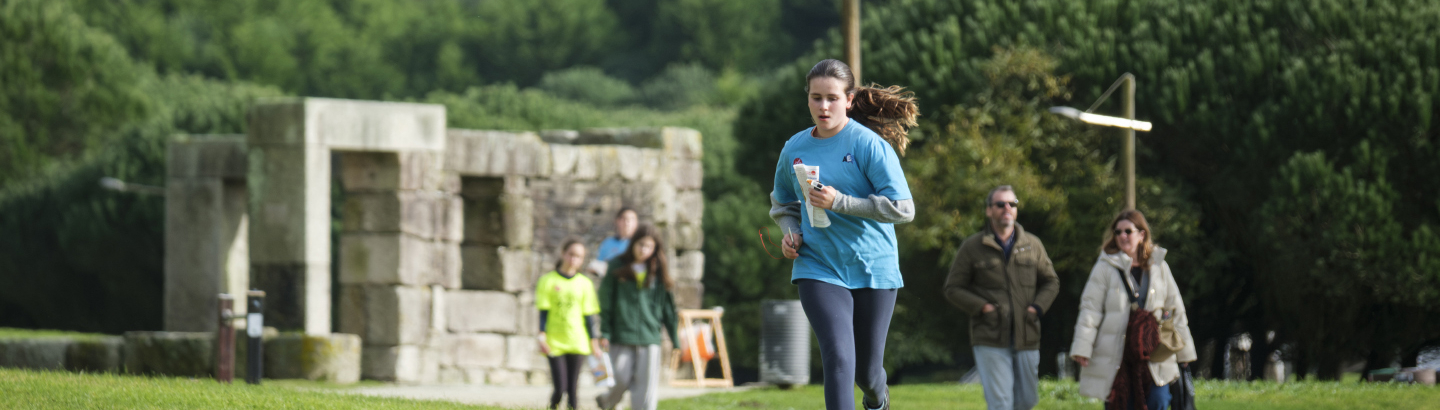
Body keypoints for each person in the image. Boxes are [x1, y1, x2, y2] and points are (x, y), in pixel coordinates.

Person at [769, 58, 918, 410]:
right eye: (816, 97)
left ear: (848, 100)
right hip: (818, 265)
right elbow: (783, 204)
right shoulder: (794, 148)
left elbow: (903, 209)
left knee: (866, 373)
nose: (823, 106)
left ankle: (877, 397)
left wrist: (841, 202)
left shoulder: (868, 145)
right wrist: (791, 233)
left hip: (873, 268)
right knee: (837, 357)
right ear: (807, 99)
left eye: (832, 98)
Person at [943, 185, 1060, 410]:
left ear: (1016, 209)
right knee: (1001, 403)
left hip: (1027, 334)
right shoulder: (973, 246)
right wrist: (983, 307)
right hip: (989, 336)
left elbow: (1051, 282)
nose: (1007, 208)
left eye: (1012, 204)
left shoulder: (1033, 245)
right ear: (989, 210)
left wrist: (1037, 308)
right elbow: (953, 287)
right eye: (1000, 204)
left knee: (1027, 401)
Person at [1070, 210, 1197, 410]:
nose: (1122, 236)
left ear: (1142, 234)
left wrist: (1185, 353)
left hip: (1154, 351)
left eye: (1128, 231)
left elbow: (1176, 309)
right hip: (1118, 353)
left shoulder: (1159, 266)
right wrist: (1082, 348)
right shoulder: (1104, 267)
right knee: (1121, 403)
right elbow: (1090, 310)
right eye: (1117, 232)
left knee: (1159, 401)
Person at [596, 225, 678, 410]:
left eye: (649, 247)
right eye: (641, 244)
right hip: (621, 334)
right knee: (620, 380)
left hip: (649, 336)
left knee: (646, 390)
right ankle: (606, 401)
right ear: (633, 243)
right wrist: (606, 331)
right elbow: (606, 300)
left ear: (655, 249)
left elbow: (668, 307)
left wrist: (675, 338)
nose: (644, 250)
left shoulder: (658, 270)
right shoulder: (617, 265)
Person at [535, 240, 602, 410]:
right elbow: (544, 313)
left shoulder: (585, 284)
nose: (574, 259)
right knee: (560, 388)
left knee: (573, 389)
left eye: (579, 256)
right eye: (571, 254)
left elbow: (588, 317)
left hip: (578, 341)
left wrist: (594, 341)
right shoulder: (547, 280)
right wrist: (541, 336)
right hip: (555, 341)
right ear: (564, 253)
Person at [590, 208, 639, 275]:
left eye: (631, 219)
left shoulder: (639, 243)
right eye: (624, 219)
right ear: (617, 221)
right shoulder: (607, 242)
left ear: (636, 222)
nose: (627, 222)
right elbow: (599, 264)